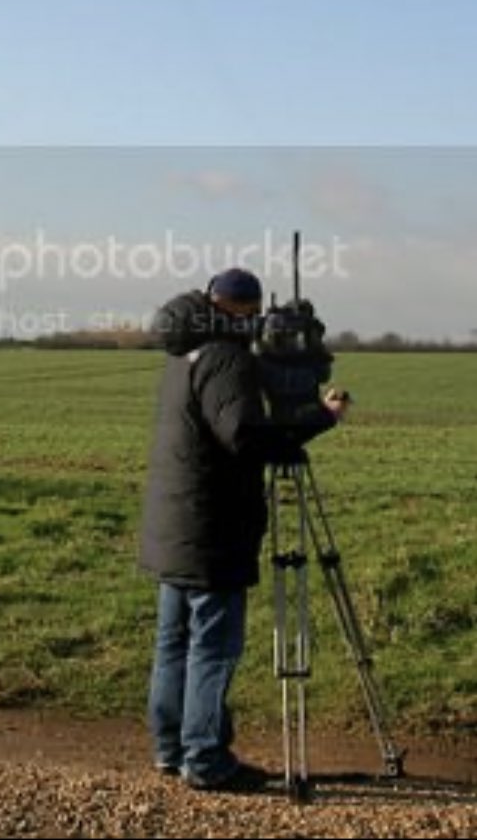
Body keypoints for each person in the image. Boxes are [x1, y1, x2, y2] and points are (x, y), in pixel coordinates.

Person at [138, 267, 348, 791]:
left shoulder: (184, 349)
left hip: (174, 523)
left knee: (174, 643)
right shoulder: (225, 358)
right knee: (212, 646)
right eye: (257, 316)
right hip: (213, 527)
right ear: (246, 310)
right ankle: (205, 760)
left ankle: (171, 750)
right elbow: (246, 436)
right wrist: (318, 418)